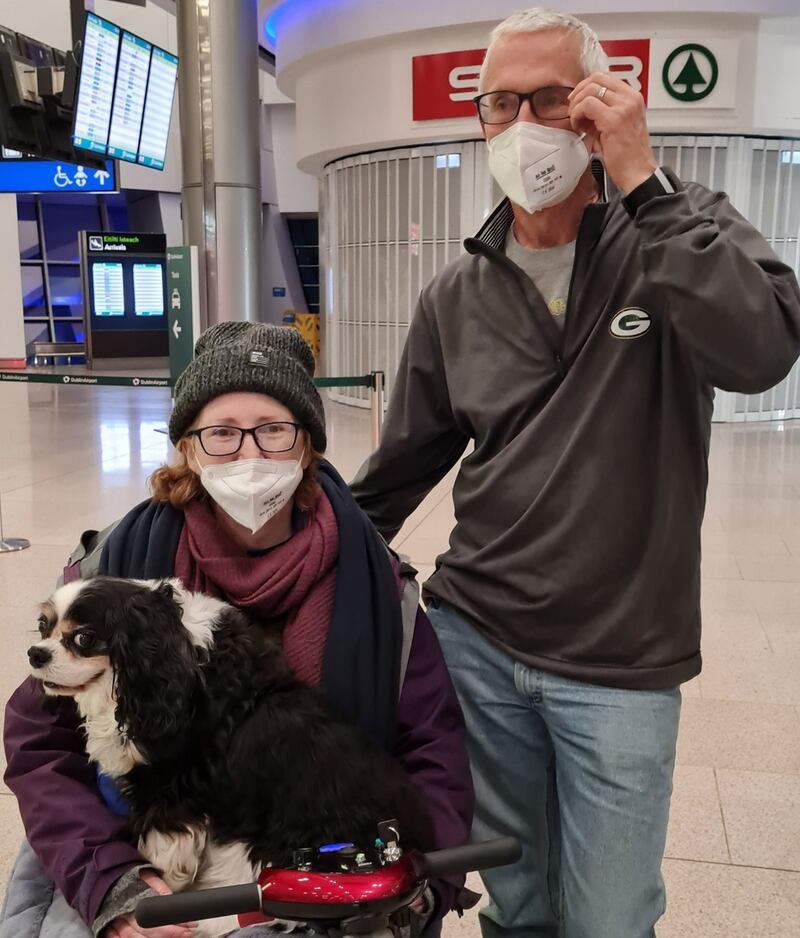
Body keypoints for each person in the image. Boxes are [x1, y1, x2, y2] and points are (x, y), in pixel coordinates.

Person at [350, 8, 800, 938]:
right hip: (475, 636)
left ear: (602, 107)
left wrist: (641, 178)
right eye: (500, 103)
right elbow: (398, 472)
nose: (525, 124)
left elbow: (759, 352)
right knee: (516, 901)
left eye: (553, 98)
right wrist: (285, 551)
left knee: (610, 914)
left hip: (622, 660)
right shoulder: (456, 293)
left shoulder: (681, 228)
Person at [2, 322, 474, 938]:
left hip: (312, 855)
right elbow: (42, 746)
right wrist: (112, 886)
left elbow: (433, 750)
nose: (250, 454)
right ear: (188, 448)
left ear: (307, 446)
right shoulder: (112, 570)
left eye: (274, 431)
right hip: (134, 848)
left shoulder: (379, 586)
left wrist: (412, 886)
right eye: (221, 433)